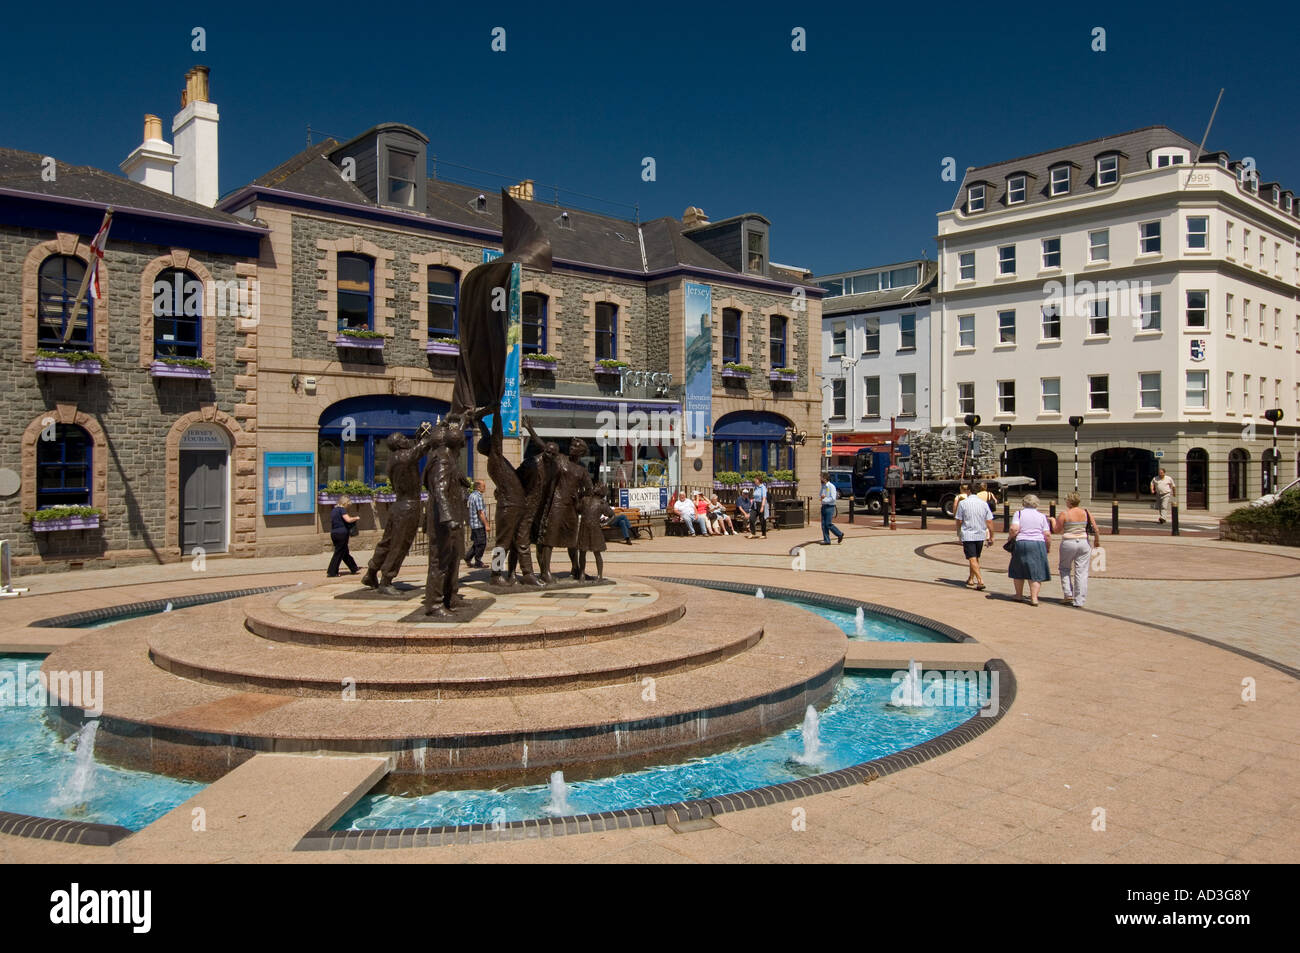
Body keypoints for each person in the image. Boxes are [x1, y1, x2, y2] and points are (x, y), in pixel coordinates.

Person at [1053, 492, 1101, 607]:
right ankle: (1079, 600)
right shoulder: (1086, 512)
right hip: (1084, 542)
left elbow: (1056, 530)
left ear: (1068, 501)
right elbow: (1096, 529)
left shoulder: (1064, 514)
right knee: (1082, 571)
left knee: (1064, 568)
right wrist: (1097, 541)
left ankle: (1068, 593)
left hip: (1068, 542)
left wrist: (1052, 521)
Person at [1007, 494, 1052, 606]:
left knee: (1018, 568)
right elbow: (1047, 534)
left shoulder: (1019, 513)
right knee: (1036, 570)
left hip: (1022, 542)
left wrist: (1010, 538)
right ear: (1036, 503)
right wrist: (1047, 547)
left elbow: (1014, 528)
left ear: (1023, 503)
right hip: (1038, 543)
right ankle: (1034, 598)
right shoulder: (1041, 516)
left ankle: (1018, 595)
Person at [954, 490, 995, 591]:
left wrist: (959, 532)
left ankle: (980, 581)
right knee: (975, 558)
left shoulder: (963, 503)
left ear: (968, 492)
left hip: (968, 534)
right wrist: (991, 536)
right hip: (980, 534)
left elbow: (959, 520)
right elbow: (989, 521)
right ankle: (971, 579)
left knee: (972, 558)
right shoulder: (984, 504)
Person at [576, 485, 615, 580]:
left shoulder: (602, 503)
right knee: (582, 552)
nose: (595, 487)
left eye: (598, 487)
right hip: (584, 529)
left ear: (601, 491)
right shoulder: (585, 500)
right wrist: (579, 497)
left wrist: (604, 524)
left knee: (597, 553)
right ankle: (581, 573)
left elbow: (612, 516)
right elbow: (577, 509)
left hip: (595, 530)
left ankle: (599, 575)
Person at [326, 494, 360, 576]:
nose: (348, 506)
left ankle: (353, 568)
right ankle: (332, 572)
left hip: (334, 533)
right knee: (338, 553)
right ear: (345, 503)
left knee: (344, 552)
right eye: (348, 504)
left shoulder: (334, 510)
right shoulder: (342, 509)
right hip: (342, 533)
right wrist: (355, 518)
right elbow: (348, 520)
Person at [465, 479, 490, 568]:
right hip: (478, 524)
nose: (485, 488)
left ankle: (468, 557)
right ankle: (478, 561)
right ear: (478, 487)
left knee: (477, 543)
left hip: (473, 523)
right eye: (483, 486)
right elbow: (480, 512)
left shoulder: (471, 495)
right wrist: (486, 524)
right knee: (482, 543)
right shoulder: (478, 497)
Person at [819, 472, 844, 545]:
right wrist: (821, 497)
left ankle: (839, 534)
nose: (820, 478)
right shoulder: (823, 486)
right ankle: (827, 540)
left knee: (828, 524)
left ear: (824, 478)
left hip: (830, 507)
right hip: (824, 506)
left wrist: (824, 499)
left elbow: (833, 498)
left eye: (821, 477)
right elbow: (821, 495)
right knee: (823, 524)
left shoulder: (831, 486)